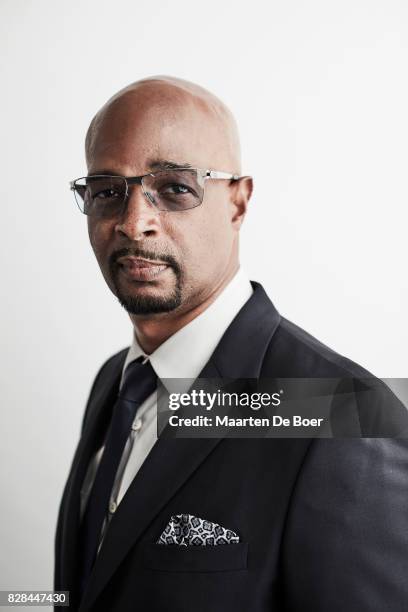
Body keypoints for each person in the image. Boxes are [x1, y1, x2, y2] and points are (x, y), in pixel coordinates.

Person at [54, 75, 408, 612]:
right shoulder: (116, 382)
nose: (134, 222)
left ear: (238, 203)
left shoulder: (343, 415)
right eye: (108, 190)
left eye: (175, 187)